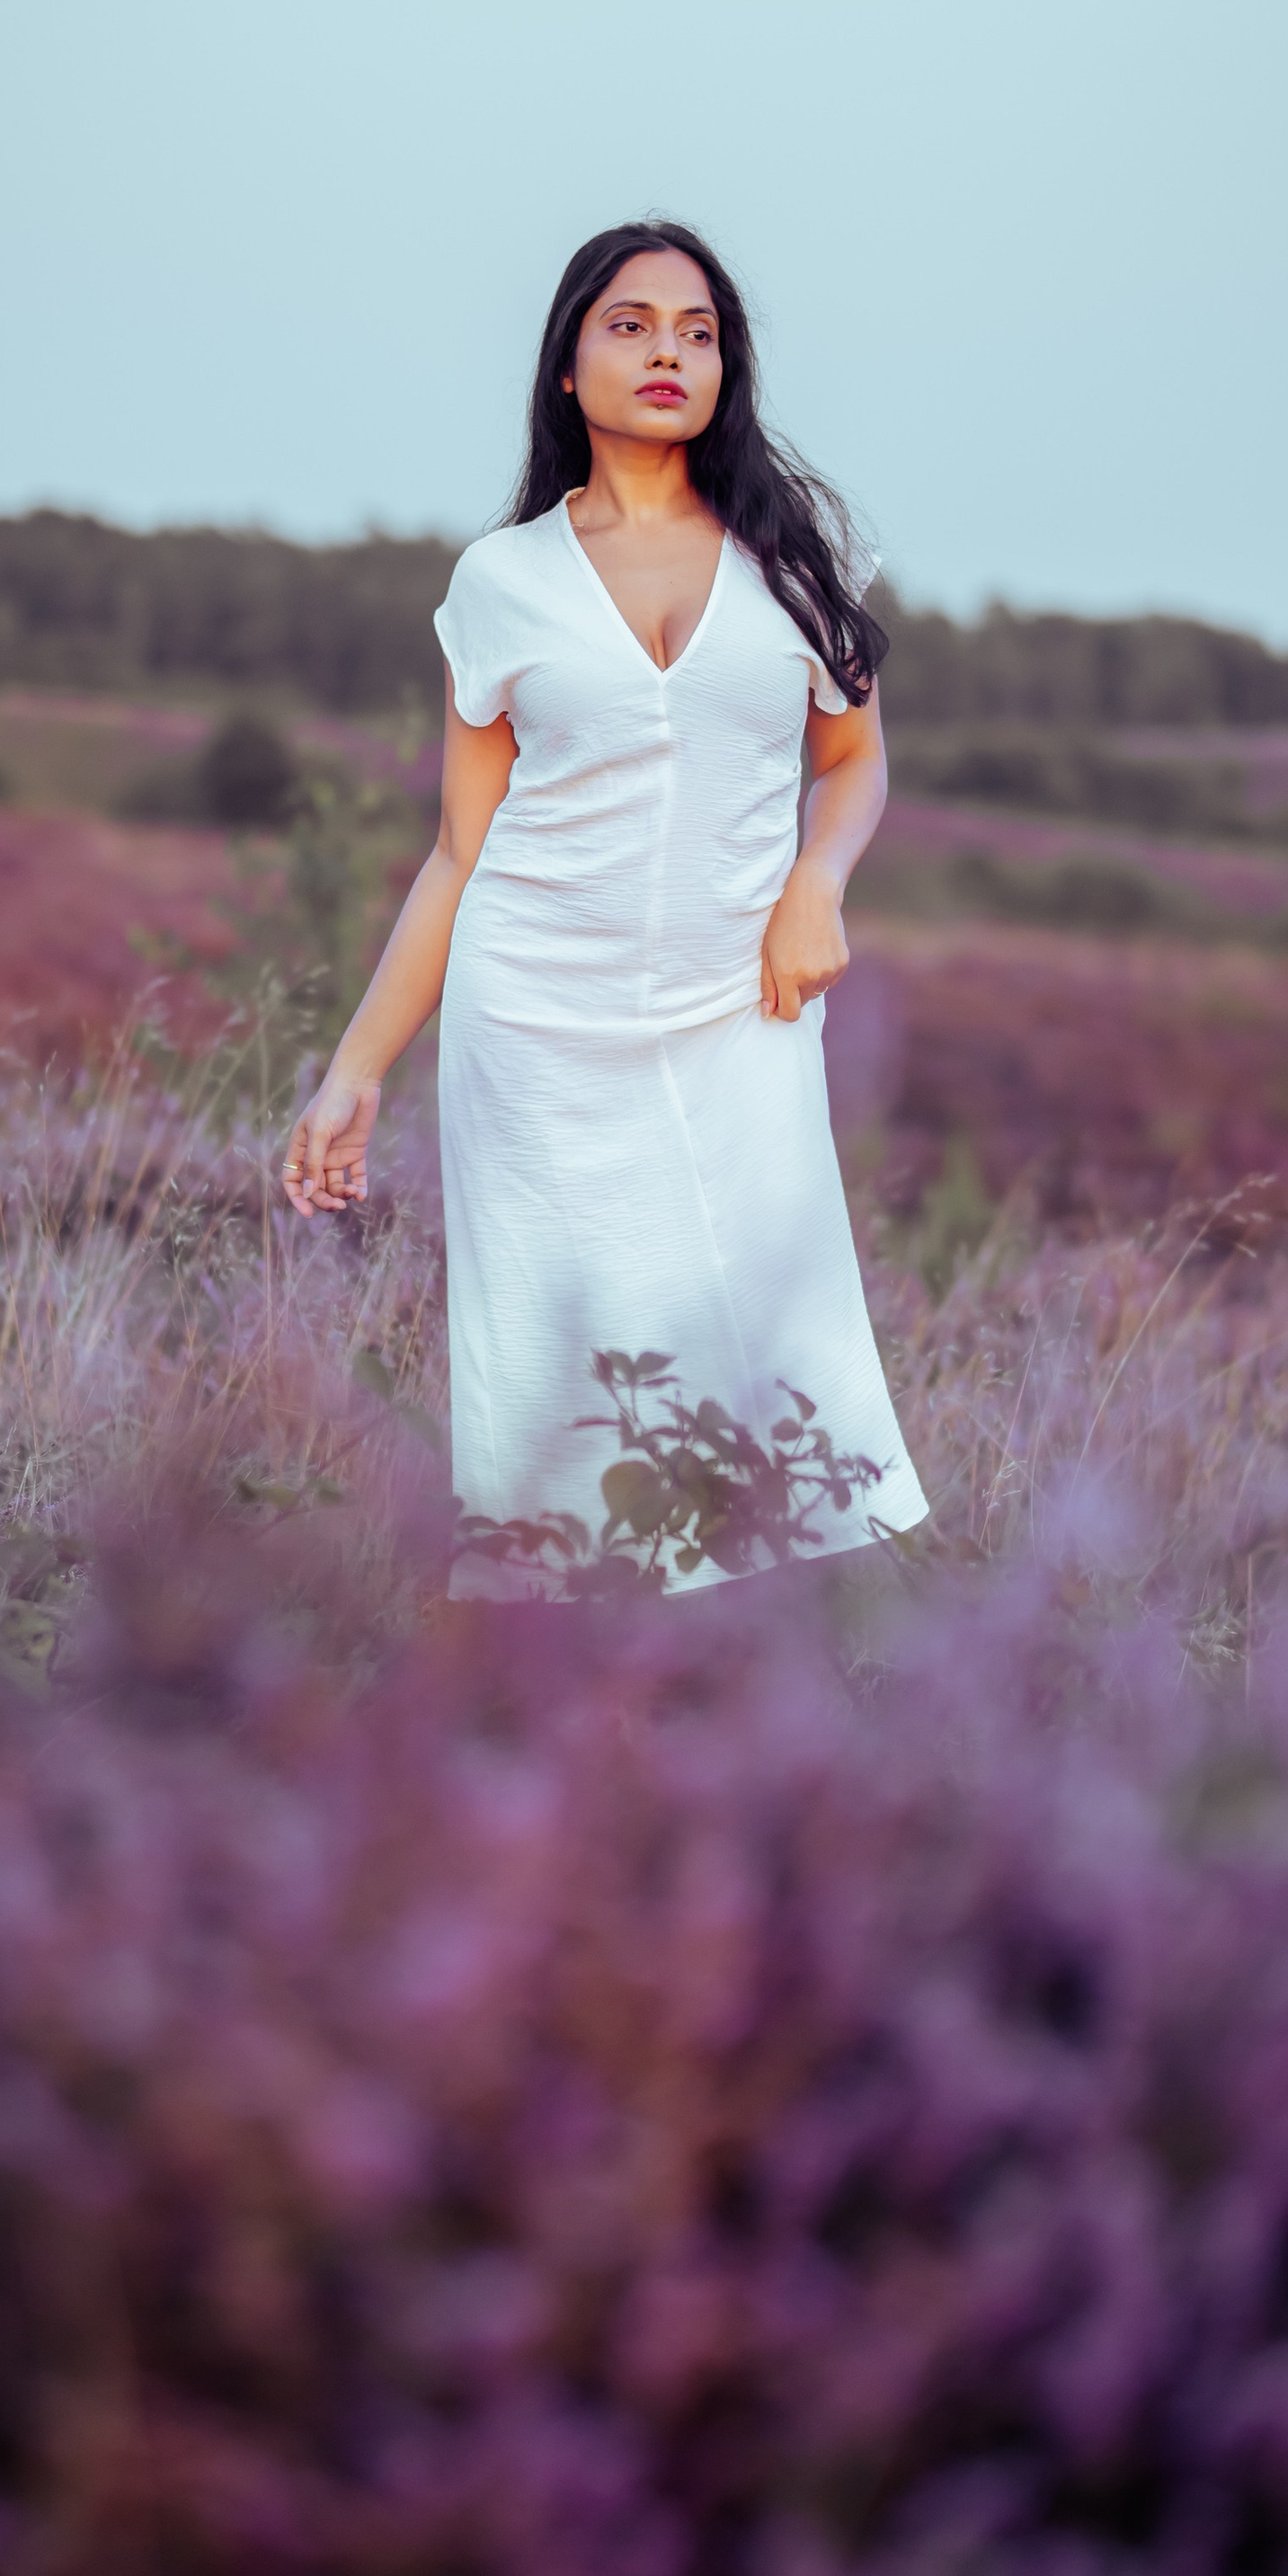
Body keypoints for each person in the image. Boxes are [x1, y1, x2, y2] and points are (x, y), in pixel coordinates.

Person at [282, 220, 928, 1593]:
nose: (667, 354)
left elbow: (855, 761)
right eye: (631, 325)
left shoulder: (800, 558)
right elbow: (461, 854)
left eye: (698, 333)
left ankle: (777, 1695)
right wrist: (355, 1072)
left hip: (742, 1013)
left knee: (772, 1348)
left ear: (726, 373)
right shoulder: (501, 581)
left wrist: (817, 883)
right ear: (569, 366)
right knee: (568, 1381)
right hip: (537, 1028)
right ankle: (585, 1699)